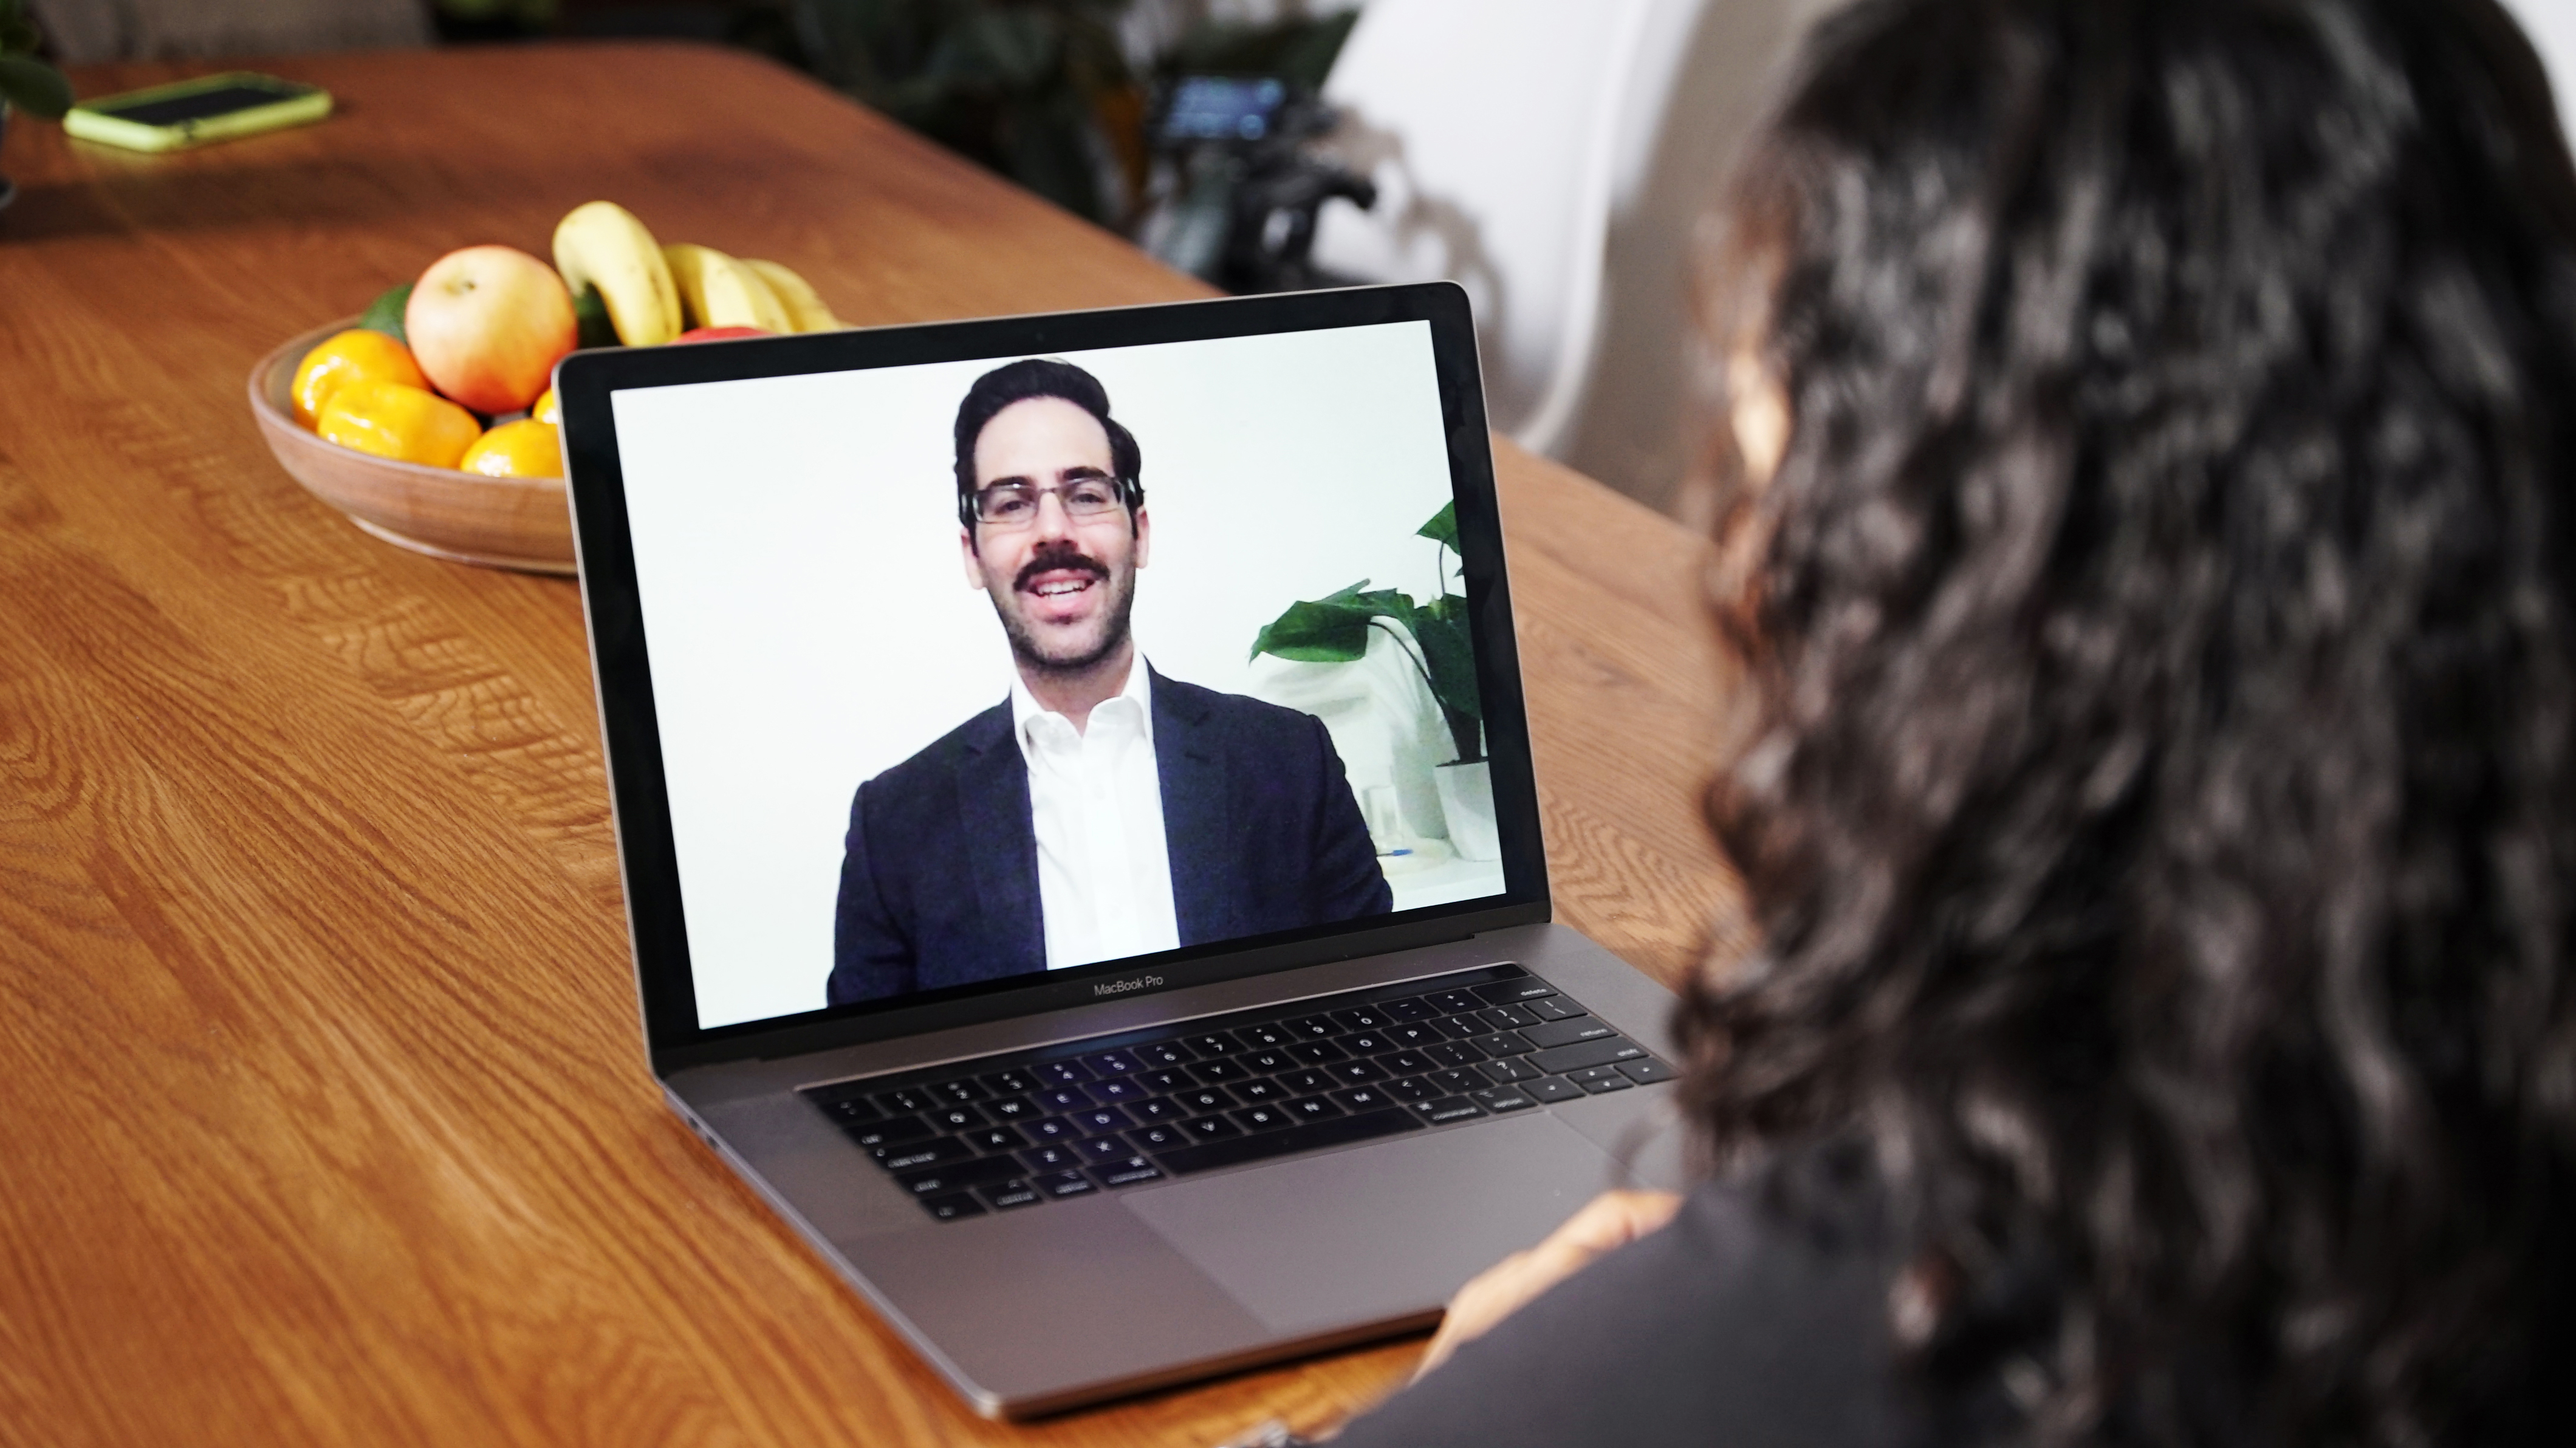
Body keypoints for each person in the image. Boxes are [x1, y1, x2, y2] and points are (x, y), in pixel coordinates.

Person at [1313, 1, 2576, 1444]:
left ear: (1943, 593)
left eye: (1769, 475)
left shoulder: (1816, 1323)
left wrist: (1450, 1403)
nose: (1736, 565)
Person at [828, 359, 1391, 1005]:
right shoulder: (893, 823)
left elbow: (1375, 1001)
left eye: (1087, 494)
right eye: (1011, 503)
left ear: (1139, 532)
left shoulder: (1290, 761)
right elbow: (867, 1068)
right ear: (972, 555)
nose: (1052, 530)